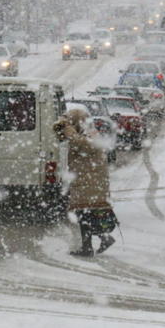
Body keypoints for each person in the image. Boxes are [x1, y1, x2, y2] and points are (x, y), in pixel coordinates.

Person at [53, 107, 118, 257]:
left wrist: (68, 129)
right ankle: (99, 241)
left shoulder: (91, 135)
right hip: (88, 181)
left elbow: (80, 144)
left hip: (91, 182)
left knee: (85, 214)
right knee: (87, 214)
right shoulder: (85, 133)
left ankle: (90, 246)